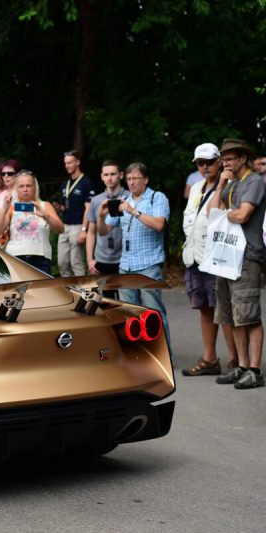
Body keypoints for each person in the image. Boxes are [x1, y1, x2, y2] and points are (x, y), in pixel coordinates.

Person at [206, 139, 265, 389]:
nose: (225, 162)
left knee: (249, 315)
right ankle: (241, 366)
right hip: (226, 258)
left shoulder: (255, 181)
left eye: (230, 158)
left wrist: (224, 215)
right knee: (233, 316)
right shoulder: (230, 183)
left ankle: (254, 369)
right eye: (224, 159)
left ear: (243, 158)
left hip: (247, 256)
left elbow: (243, 215)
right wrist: (220, 183)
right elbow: (211, 211)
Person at [97, 162, 171, 347]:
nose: (131, 183)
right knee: (130, 315)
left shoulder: (157, 197)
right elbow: (104, 231)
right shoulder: (123, 200)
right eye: (129, 179)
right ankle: (139, 353)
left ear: (145, 180)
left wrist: (133, 211)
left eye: (135, 178)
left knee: (152, 312)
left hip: (149, 264)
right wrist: (100, 216)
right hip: (126, 264)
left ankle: (162, 354)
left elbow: (159, 225)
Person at [181, 143, 237, 376]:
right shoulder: (195, 188)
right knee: (204, 309)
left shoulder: (231, 186)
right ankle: (210, 358)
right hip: (194, 256)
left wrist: (223, 183)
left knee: (223, 311)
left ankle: (236, 362)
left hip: (217, 256)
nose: (204, 167)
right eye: (200, 163)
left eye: (209, 162)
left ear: (219, 162)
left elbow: (218, 216)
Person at [0, 170, 64, 274]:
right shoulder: (11, 207)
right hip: (14, 258)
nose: (25, 189)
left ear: (35, 187)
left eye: (28, 185)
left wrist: (46, 216)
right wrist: (4, 210)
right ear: (16, 189)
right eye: (21, 186)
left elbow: (61, 229)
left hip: (40, 259)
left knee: (41, 290)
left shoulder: (44, 206)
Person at [86, 160, 131, 297]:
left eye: (113, 174)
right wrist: (89, 259)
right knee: (106, 304)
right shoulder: (96, 200)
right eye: (106, 174)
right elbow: (91, 232)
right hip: (102, 259)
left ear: (121, 175)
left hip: (124, 258)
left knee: (128, 302)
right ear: (101, 177)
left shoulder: (129, 197)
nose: (109, 178)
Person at [55, 150, 95, 277]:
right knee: (62, 263)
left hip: (78, 226)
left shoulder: (86, 182)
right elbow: (63, 206)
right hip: (64, 226)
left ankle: (82, 294)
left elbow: (88, 208)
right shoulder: (65, 184)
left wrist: (84, 229)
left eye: (70, 162)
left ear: (77, 162)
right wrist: (57, 208)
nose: (67, 166)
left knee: (76, 262)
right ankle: (68, 293)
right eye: (65, 163)